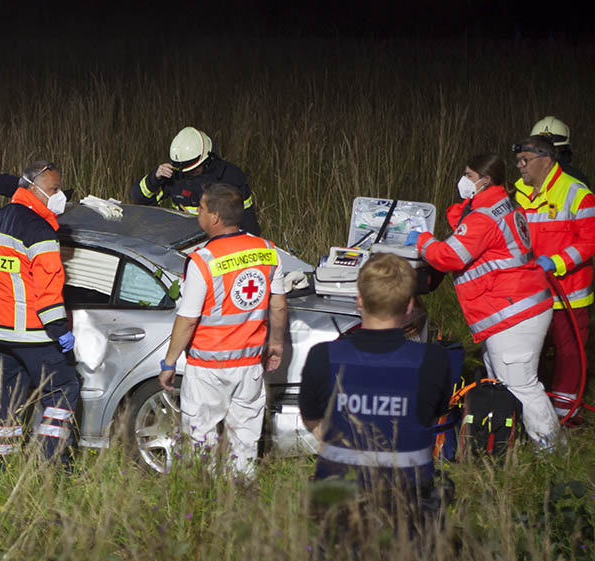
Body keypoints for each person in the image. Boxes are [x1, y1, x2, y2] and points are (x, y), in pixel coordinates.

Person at [406, 153, 559, 447]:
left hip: (513, 311)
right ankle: (508, 440)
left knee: (521, 384)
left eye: (469, 176)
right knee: (503, 380)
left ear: (485, 181)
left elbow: (451, 255)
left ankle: (550, 450)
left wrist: (422, 240)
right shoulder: (503, 204)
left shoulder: (485, 215)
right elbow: (465, 223)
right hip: (515, 306)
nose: (463, 181)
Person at [299, 254, 452, 523]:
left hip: (339, 507)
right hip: (409, 507)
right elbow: (430, 416)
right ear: (409, 307)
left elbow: (312, 417)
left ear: (359, 300)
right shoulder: (434, 360)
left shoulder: (322, 356)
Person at [158, 183, 286, 476]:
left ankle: (201, 502)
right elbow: (278, 306)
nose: (197, 213)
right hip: (249, 365)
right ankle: (239, 499)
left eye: (201, 208)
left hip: (207, 368)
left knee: (199, 441)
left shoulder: (204, 261)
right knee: (244, 441)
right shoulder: (267, 251)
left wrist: (169, 362)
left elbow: (188, 319)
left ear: (215, 217)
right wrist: (276, 343)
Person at [0, 160, 79, 462]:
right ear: (33, 188)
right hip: (33, 333)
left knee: (7, 404)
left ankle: (2, 463)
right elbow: (48, 292)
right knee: (62, 390)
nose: (61, 195)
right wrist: (60, 331)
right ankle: (54, 463)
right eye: (54, 189)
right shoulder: (40, 230)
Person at [513, 135, 595, 421]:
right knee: (530, 352)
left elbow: (589, 241)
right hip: (531, 291)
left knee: (569, 355)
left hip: (568, 293)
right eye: (518, 162)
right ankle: (529, 410)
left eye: (526, 161)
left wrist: (557, 262)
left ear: (546, 161)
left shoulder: (577, 193)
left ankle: (565, 415)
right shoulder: (519, 193)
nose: (521, 167)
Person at [131, 127, 261, 235]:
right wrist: (154, 178)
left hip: (217, 245)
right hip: (183, 244)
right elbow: (140, 199)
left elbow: (248, 225)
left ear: (206, 160)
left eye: (192, 170)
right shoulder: (176, 175)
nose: (187, 174)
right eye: (184, 170)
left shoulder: (230, 177)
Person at [531, 116, 589, 188]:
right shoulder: (525, 181)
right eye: (541, 149)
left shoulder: (577, 181)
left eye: (550, 149)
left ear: (562, 149)